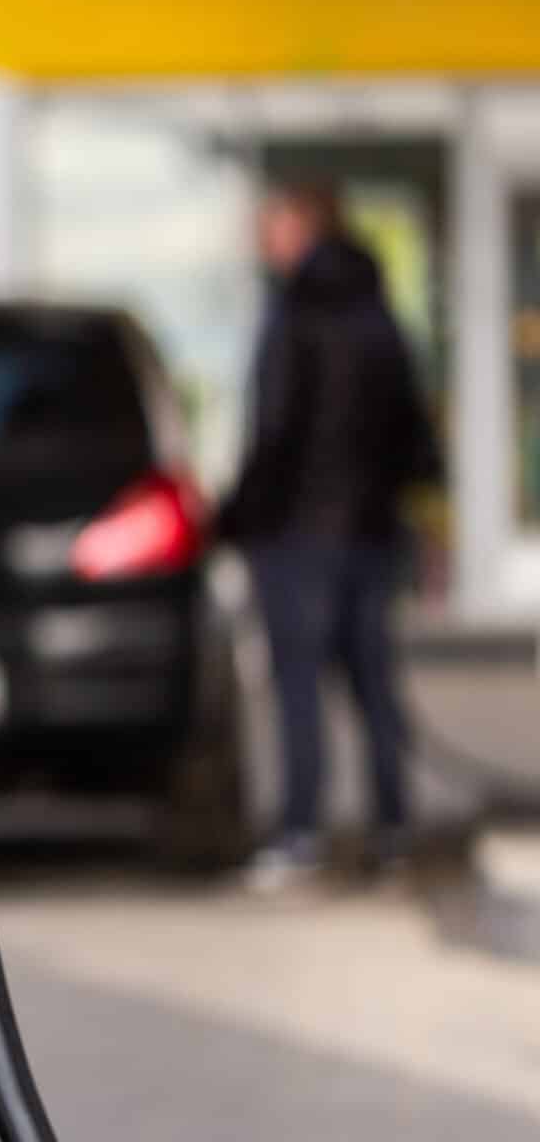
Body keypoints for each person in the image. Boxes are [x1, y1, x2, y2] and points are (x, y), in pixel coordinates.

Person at [216, 179, 442, 888]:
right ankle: (393, 828)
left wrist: (233, 518)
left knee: (298, 687)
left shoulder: (294, 312)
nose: (259, 236)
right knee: (373, 682)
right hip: (372, 530)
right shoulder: (378, 309)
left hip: (297, 534)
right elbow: (413, 423)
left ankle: (299, 832)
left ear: (301, 225)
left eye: (268, 221)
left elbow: (276, 431)